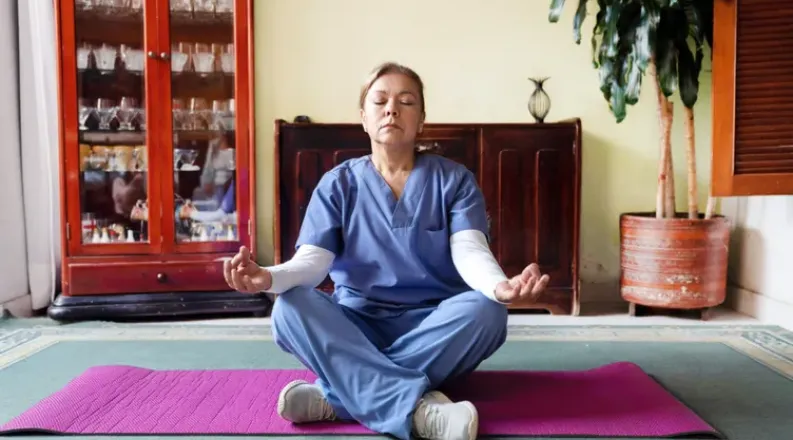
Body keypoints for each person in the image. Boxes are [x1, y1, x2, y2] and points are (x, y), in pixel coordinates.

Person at [223, 62, 550, 440]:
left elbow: (470, 251)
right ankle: (418, 411)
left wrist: (500, 287)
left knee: (488, 311)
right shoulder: (338, 184)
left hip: (433, 329)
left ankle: (338, 397)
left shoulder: (454, 180)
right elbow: (313, 264)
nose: (391, 109)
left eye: (406, 101)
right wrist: (269, 277)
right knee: (289, 306)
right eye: (380, 101)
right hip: (356, 326)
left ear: (421, 119)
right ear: (364, 118)